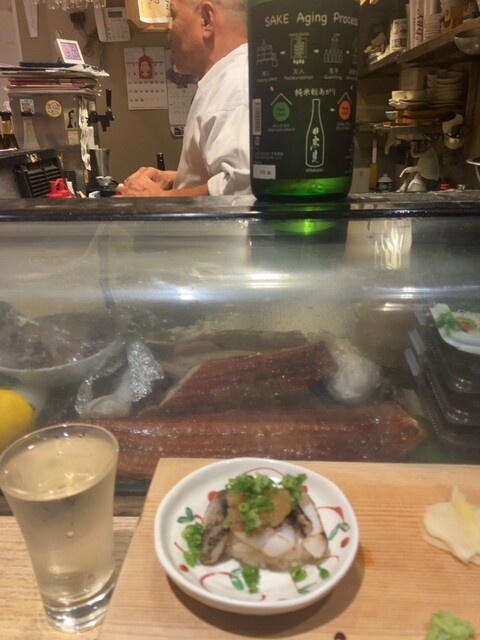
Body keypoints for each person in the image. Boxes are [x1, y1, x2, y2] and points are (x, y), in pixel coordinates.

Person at [116, 0, 250, 198]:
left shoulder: (236, 83)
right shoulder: (228, 79)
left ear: (206, 20)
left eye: (174, 16)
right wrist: (173, 178)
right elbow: (224, 176)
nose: (169, 34)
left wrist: (160, 198)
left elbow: (242, 187)